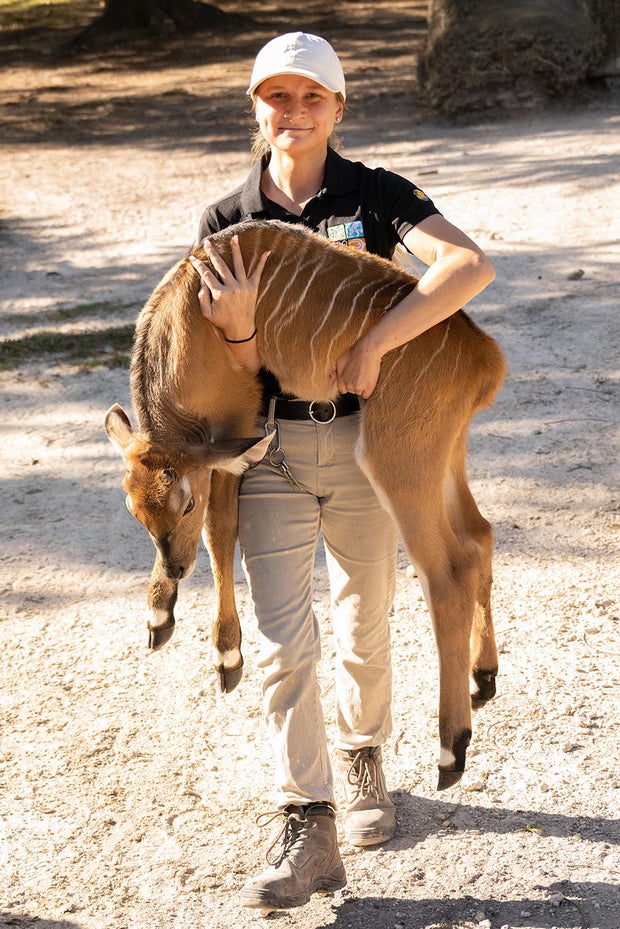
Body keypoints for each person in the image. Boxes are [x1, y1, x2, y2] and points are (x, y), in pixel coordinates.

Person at [189, 32, 495, 912]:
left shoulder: (377, 194)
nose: (293, 113)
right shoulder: (224, 221)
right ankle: (307, 818)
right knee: (287, 642)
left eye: (310, 98)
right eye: (276, 98)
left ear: (337, 108)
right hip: (271, 453)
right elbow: (221, 373)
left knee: (365, 619)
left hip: (367, 443)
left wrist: (376, 340)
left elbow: (470, 265)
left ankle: (364, 760)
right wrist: (245, 336)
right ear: (256, 107)